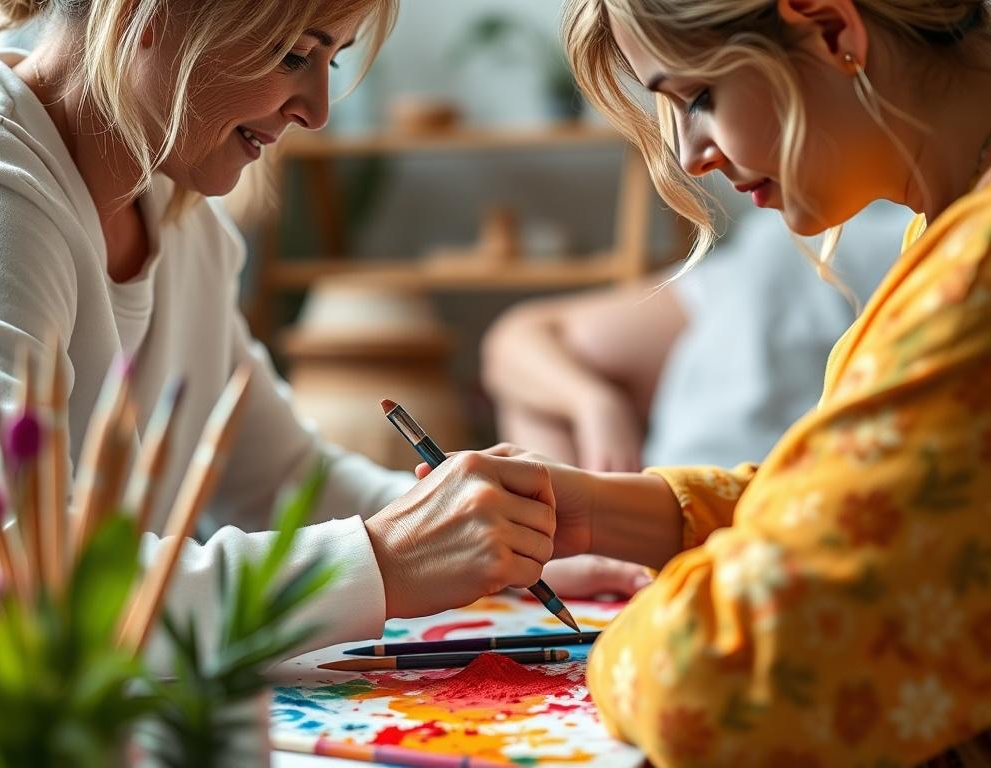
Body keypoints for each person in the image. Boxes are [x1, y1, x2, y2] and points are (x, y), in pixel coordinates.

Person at [417, 0, 991, 764]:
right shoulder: (948, 228)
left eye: (698, 97)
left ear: (830, 29)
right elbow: (867, 505)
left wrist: (645, 630)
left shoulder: (972, 274)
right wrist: (602, 510)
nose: (691, 157)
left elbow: (713, 684)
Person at [0, 0, 632, 658]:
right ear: (149, 14)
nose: (317, 112)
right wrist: (383, 561)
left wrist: (485, 534)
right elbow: (24, 586)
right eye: (293, 55)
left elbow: (280, 479)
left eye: (330, 62)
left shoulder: (178, 211)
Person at [482, 201, 909, 474]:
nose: (694, 158)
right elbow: (513, 339)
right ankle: (560, 555)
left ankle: (561, 551)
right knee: (535, 393)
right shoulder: (764, 257)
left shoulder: (807, 252)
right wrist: (594, 404)